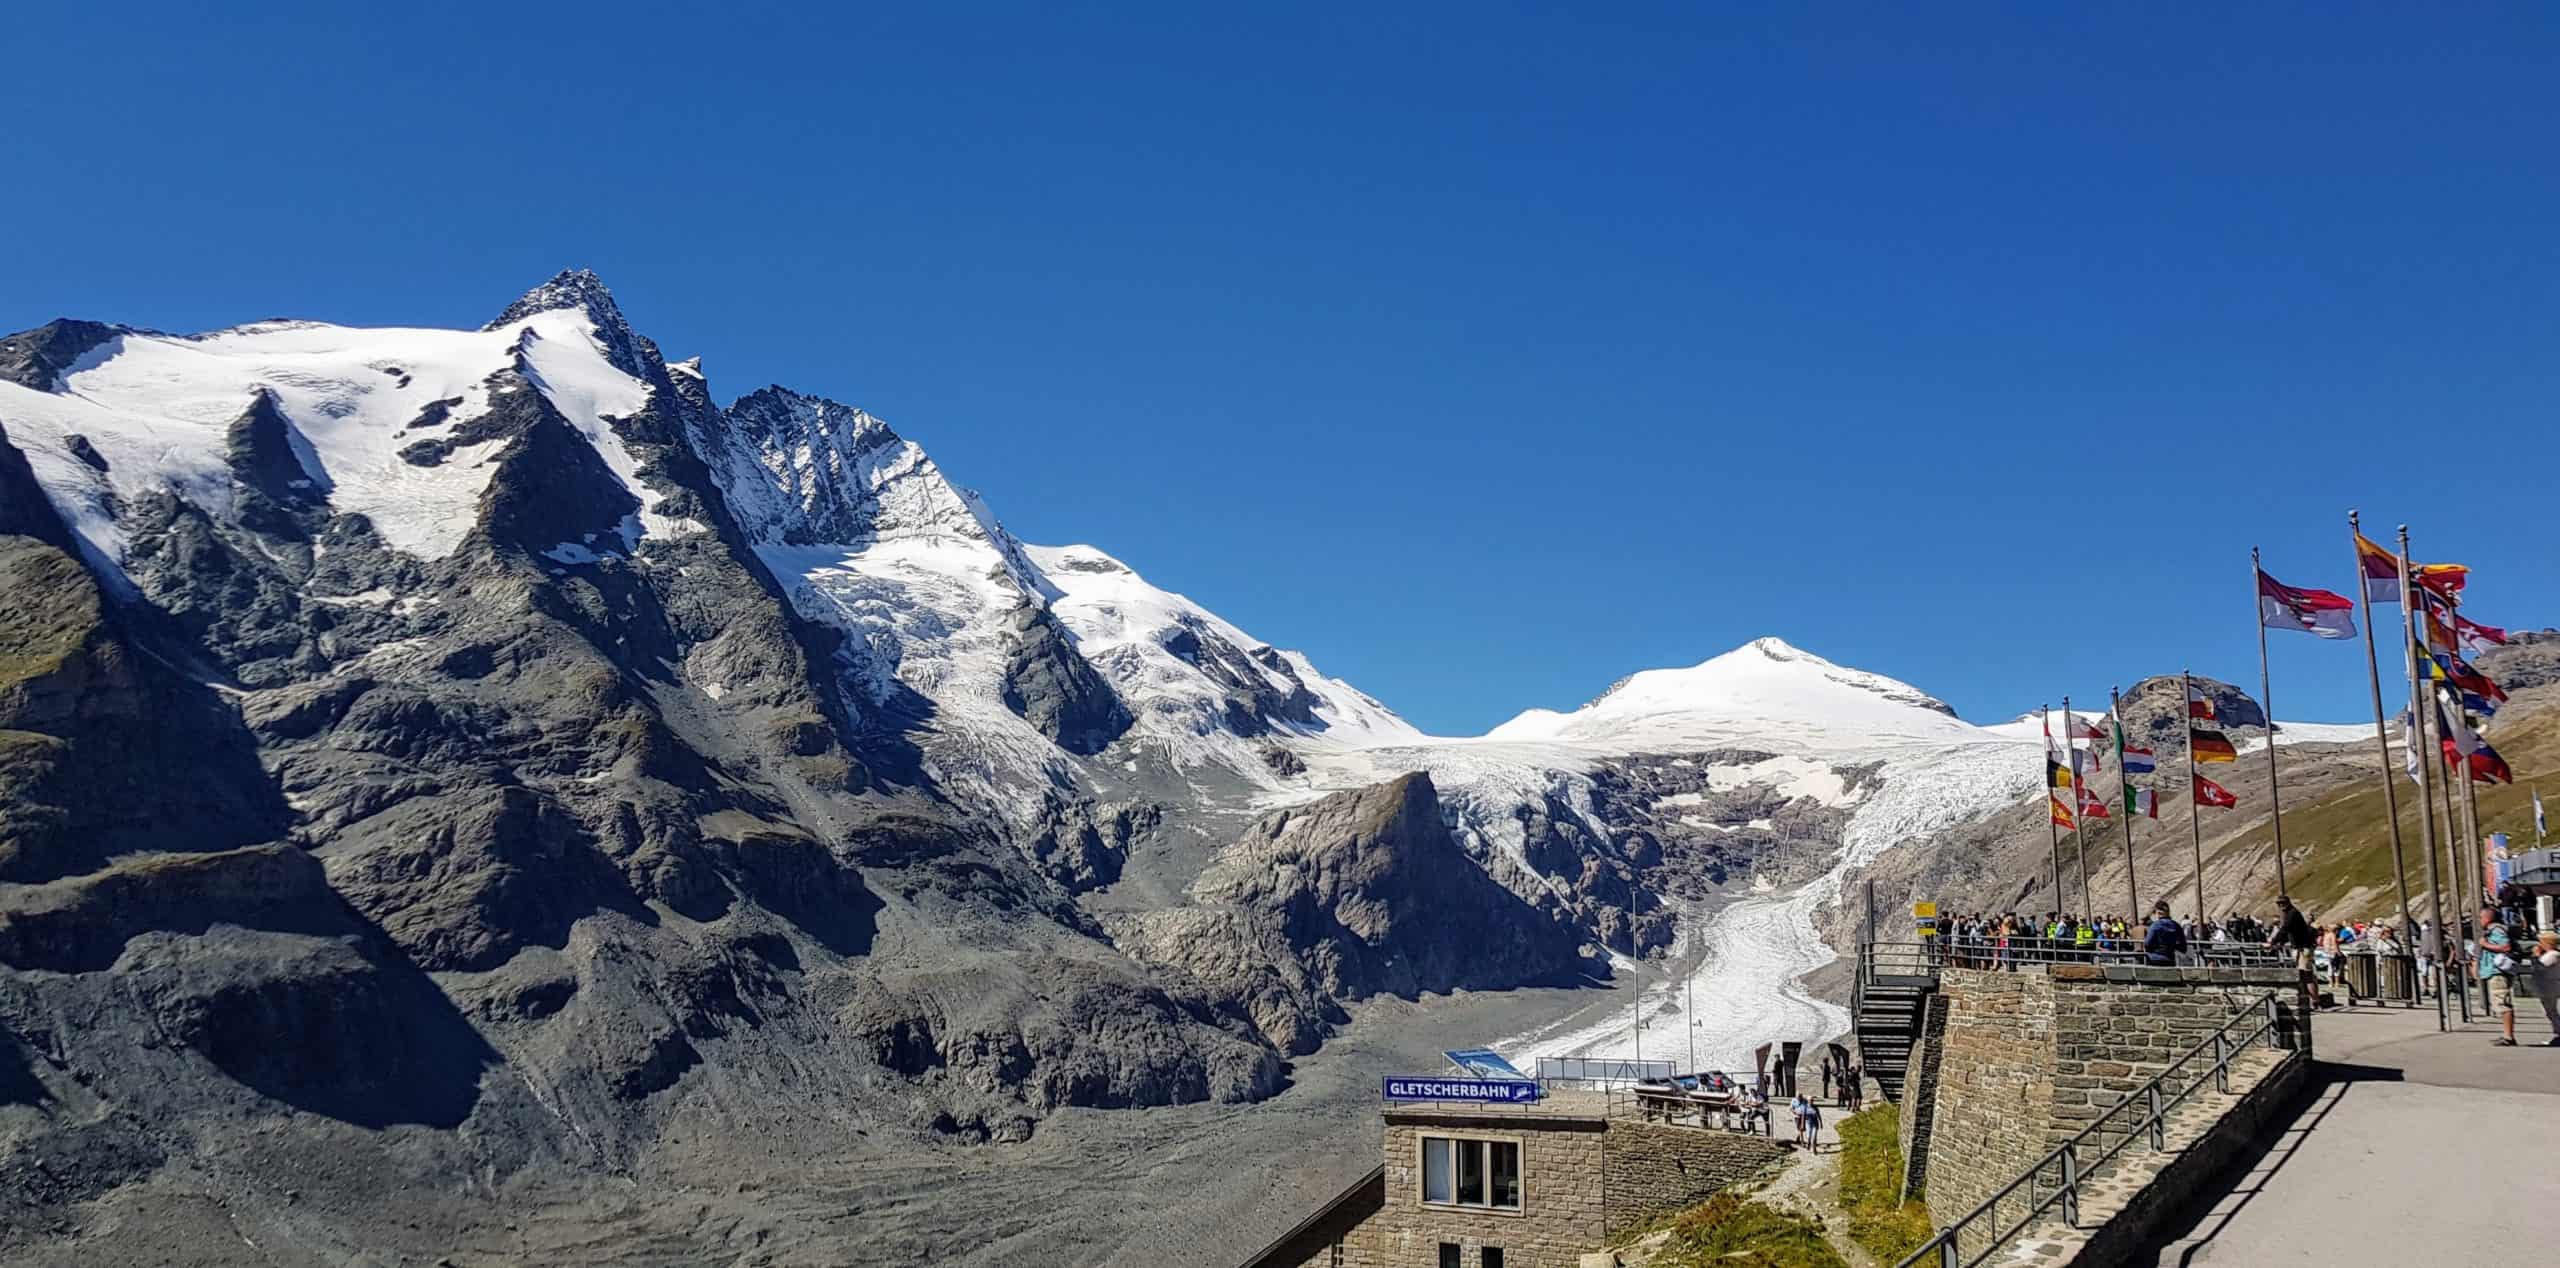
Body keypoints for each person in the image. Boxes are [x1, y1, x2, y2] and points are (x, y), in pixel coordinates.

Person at [2270, 896, 2320, 1012]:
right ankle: (2313, 1001)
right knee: (2305, 975)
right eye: (2279, 903)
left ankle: (2315, 1003)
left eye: (2282, 903)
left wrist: (2273, 941)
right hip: (2301, 948)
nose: (2281, 905)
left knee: (2306, 976)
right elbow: (2290, 932)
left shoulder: (2292, 913)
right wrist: (2280, 942)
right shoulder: (2291, 913)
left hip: (2302, 949)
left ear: (2288, 902)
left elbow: (2285, 929)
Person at [2478, 907, 2519, 1046]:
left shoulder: (2496, 930)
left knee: (2502, 1003)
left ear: (2488, 918)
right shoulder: (2493, 930)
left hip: (2498, 971)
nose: (2480, 921)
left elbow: (2506, 946)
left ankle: (2509, 1037)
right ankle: (2507, 1035)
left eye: (2481, 917)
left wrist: (2485, 944)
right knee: (2500, 1003)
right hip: (2494, 970)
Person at [2531, 932, 2560, 1047]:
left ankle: (2558, 1033)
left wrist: (2537, 955)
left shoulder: (2552, 955)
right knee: (2549, 1011)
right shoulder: (2551, 954)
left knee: (2550, 1011)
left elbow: (2539, 967)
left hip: (2550, 986)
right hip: (2548, 985)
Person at [2143, 901, 2187, 966]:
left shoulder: (2155, 925)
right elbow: (2183, 947)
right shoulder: (2176, 926)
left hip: (2154, 959)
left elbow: (2147, 943)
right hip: (2170, 959)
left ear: (2158, 913)